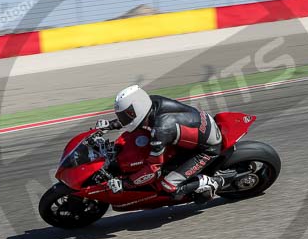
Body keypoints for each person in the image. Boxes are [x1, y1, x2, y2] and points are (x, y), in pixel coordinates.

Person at [94, 85, 224, 202]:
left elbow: (153, 170)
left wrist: (125, 183)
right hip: (197, 128)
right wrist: (111, 124)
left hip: (207, 148)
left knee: (168, 185)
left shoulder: (161, 129)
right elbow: (132, 118)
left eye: (125, 115)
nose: (123, 118)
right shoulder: (151, 102)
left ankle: (212, 182)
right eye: (121, 115)